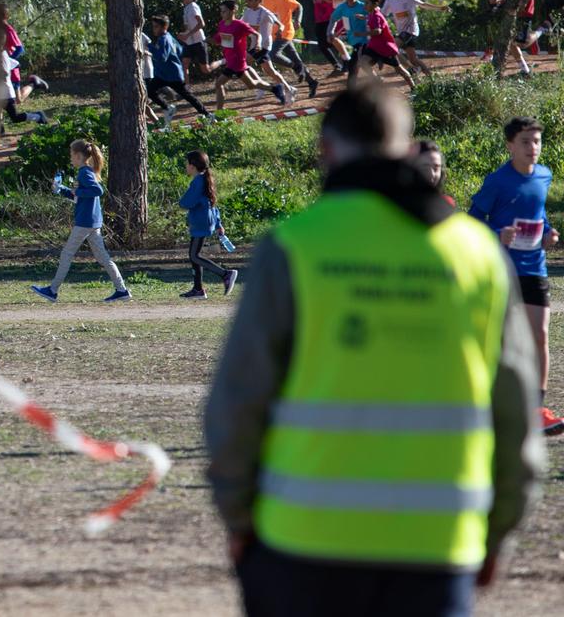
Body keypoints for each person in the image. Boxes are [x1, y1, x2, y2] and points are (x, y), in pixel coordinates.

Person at [205, 87, 545, 614]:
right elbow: (516, 417)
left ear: (325, 150)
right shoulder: (478, 255)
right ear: (408, 148)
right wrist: (497, 531)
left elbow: (236, 404)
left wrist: (239, 519)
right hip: (438, 548)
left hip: (302, 544)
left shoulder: (294, 245)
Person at [469, 116, 564, 437]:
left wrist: (549, 232)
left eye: (536, 141)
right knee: (504, 340)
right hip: (502, 267)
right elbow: (473, 220)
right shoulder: (497, 181)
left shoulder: (545, 175)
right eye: (525, 142)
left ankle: (537, 408)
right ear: (510, 145)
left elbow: (537, 212)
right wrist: (498, 234)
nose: (532, 148)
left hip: (534, 266)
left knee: (539, 335)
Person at [30, 139, 129, 302]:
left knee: (67, 254)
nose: (70, 158)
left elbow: (98, 190)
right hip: (93, 221)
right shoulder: (88, 171)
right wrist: (61, 189)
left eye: (71, 155)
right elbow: (80, 194)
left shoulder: (84, 172)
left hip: (84, 222)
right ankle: (122, 290)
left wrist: (77, 191)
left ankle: (52, 291)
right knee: (103, 257)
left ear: (78, 156)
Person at [177, 152, 237, 299]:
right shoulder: (204, 179)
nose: (186, 166)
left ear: (193, 165)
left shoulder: (198, 182)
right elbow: (213, 204)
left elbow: (186, 202)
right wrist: (218, 223)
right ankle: (198, 290)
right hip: (205, 221)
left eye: (187, 163)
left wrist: (182, 202)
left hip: (200, 222)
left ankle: (225, 274)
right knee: (194, 255)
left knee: (194, 255)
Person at [212, 1, 290, 109]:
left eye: (224, 11)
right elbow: (219, 38)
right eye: (221, 11)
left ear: (232, 11)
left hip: (237, 61)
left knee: (219, 83)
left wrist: (258, 43)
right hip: (230, 59)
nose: (222, 14)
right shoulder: (221, 24)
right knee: (251, 84)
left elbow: (257, 34)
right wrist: (208, 40)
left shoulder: (240, 25)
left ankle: (219, 113)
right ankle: (275, 88)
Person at [143, 14, 214, 127]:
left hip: (172, 75)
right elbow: (180, 50)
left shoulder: (164, 39)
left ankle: (207, 114)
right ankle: (168, 108)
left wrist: (150, 47)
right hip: (164, 74)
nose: (154, 29)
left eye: (156, 26)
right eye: (153, 26)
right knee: (150, 91)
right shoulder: (169, 37)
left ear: (164, 27)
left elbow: (162, 57)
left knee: (188, 96)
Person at [257, 0, 320, 98]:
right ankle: (312, 82)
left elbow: (299, 6)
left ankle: (296, 68)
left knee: (273, 55)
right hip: (273, 35)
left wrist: (298, 20)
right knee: (297, 61)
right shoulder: (263, 0)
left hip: (285, 33)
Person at [382, 0, 448, 76]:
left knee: (392, 48)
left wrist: (440, 8)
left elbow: (423, 4)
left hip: (411, 30)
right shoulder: (389, 0)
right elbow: (382, 15)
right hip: (402, 32)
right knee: (413, 59)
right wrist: (368, 18)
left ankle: (411, 69)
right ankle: (431, 77)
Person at [238, 0, 297, 95]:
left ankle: (261, 86)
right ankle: (288, 88)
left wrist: (279, 30)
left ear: (259, 0)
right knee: (270, 71)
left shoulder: (265, 12)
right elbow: (240, 24)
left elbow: (280, 24)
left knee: (244, 63)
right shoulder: (247, 12)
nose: (247, 3)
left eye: (250, 0)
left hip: (263, 45)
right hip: (254, 45)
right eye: (246, 0)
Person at [349, 0, 415, 89]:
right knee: (363, 62)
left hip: (385, 48)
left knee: (399, 69)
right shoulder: (372, 13)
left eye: (367, 3)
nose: (365, 5)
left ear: (374, 4)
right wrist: (363, 17)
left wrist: (361, 34)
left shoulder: (376, 16)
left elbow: (377, 31)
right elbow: (370, 17)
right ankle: (377, 81)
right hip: (374, 47)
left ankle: (414, 87)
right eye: (365, 2)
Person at [304, 0, 350, 73]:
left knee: (332, 39)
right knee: (322, 44)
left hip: (330, 15)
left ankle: (346, 61)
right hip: (319, 16)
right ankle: (336, 65)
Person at [176, 0, 212, 74]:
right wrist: (183, 34)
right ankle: (186, 87)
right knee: (184, 64)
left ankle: (221, 62)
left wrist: (187, 34)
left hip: (199, 41)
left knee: (205, 69)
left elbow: (201, 24)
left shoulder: (193, 6)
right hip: (189, 42)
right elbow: (188, 26)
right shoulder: (186, 8)